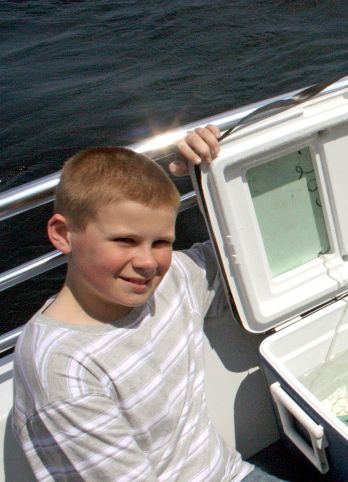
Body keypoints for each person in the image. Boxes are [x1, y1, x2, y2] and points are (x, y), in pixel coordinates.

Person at [10, 138, 277, 481]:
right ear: (63, 234)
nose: (148, 263)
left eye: (161, 242)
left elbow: (255, 249)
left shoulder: (173, 281)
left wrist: (215, 168)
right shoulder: (61, 367)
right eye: (125, 241)